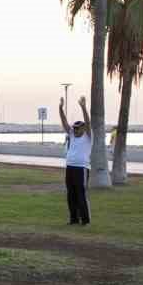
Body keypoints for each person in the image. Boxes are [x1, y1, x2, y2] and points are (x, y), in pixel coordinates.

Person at [63, 94, 91, 226]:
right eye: (74, 128)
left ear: (83, 128)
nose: (74, 130)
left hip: (82, 168)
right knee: (71, 195)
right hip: (70, 167)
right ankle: (73, 218)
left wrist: (83, 107)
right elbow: (64, 123)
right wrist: (60, 109)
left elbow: (88, 122)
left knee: (81, 194)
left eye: (77, 128)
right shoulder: (72, 136)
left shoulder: (88, 137)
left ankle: (85, 219)